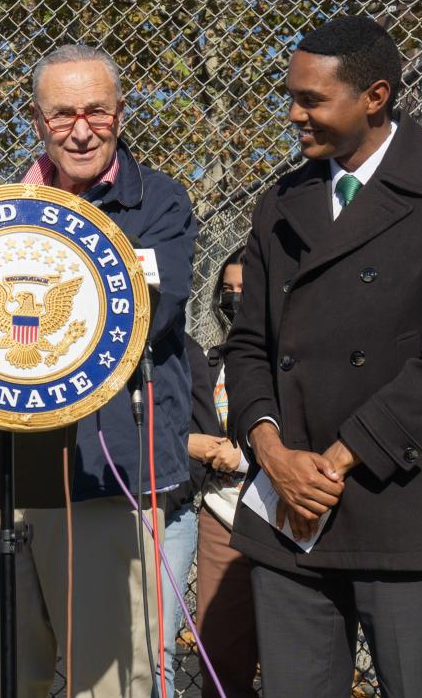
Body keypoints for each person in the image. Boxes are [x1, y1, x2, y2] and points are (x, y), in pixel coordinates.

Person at [226, 15, 422, 698]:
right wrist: (273, 456)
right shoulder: (282, 201)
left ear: (375, 96)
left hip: (400, 510)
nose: (294, 113)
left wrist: (338, 459)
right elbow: (249, 346)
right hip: (289, 517)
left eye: (312, 100)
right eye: (290, 95)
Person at [0, 43, 197, 698]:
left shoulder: (160, 204)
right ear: (37, 122)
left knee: (108, 683)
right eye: (62, 114)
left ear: (120, 113)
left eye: (97, 110)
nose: (82, 128)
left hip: (108, 478)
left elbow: (152, 308)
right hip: (4, 474)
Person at [188, 247, 257, 698]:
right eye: (227, 291)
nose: (235, 300)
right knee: (219, 654)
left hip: (285, 511)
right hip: (221, 513)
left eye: (245, 291)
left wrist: (247, 458)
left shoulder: (297, 359)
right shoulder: (213, 360)